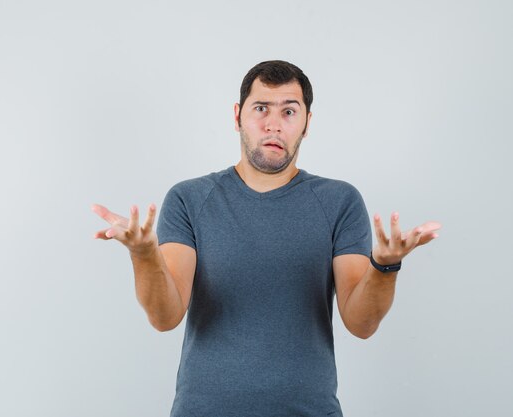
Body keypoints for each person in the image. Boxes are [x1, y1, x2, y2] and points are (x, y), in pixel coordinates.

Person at [92, 60, 441, 417]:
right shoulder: (190, 199)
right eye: (261, 108)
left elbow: (361, 323)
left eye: (289, 111)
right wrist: (145, 254)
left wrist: (385, 265)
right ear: (237, 115)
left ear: (306, 124)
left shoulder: (339, 201)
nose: (273, 124)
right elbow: (164, 317)